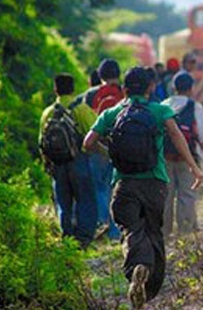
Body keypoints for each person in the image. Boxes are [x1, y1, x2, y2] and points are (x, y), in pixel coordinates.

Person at [83, 66, 203, 309]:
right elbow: (177, 136)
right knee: (153, 230)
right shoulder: (159, 110)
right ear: (150, 87)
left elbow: (88, 143)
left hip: (124, 183)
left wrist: (111, 154)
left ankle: (137, 269)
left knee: (131, 230)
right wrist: (194, 167)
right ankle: (148, 280)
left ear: (125, 89)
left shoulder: (113, 112)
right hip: (155, 182)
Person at [39, 74, 98, 249]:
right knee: (85, 198)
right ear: (72, 89)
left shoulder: (48, 112)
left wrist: (46, 162)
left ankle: (67, 238)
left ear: (55, 89)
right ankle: (84, 238)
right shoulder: (80, 108)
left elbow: (41, 141)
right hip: (78, 159)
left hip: (57, 163)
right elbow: (93, 130)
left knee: (63, 202)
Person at [162, 72, 203, 237]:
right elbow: (201, 135)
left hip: (166, 157)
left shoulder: (164, 105)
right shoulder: (195, 107)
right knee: (187, 194)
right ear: (191, 88)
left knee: (166, 195)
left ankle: (164, 231)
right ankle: (186, 232)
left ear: (174, 88)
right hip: (187, 157)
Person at [80, 59, 124, 240]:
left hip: (98, 147)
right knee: (116, 186)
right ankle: (115, 230)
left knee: (99, 187)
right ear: (118, 74)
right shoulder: (125, 91)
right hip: (120, 146)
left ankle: (101, 223)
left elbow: (85, 122)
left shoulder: (90, 95)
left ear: (100, 75)